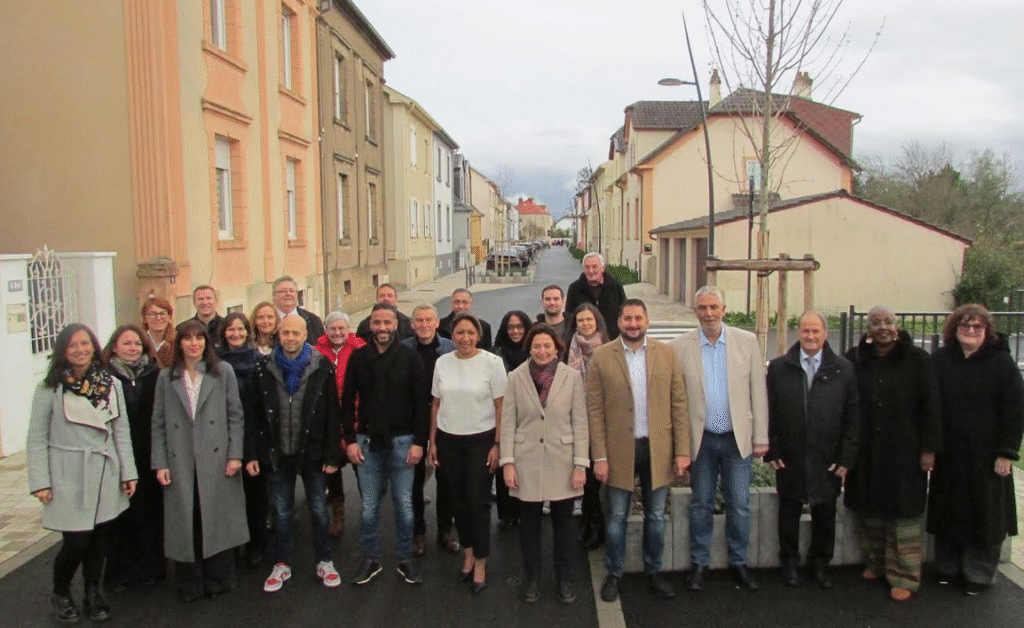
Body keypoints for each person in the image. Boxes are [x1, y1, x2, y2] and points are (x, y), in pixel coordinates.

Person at [27, 324, 137, 623]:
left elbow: (120, 431)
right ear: (63, 351)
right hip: (68, 473)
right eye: (73, 345)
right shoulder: (49, 388)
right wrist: (40, 482)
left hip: (104, 469)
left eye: (85, 344)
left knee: (101, 538)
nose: (80, 350)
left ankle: (92, 592)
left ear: (94, 346)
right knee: (76, 540)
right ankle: (61, 592)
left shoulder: (110, 385)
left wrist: (129, 472)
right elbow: (36, 437)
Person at [587, 299, 690, 602]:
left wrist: (682, 451)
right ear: (618, 321)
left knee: (656, 515)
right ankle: (614, 574)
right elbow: (594, 408)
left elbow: (679, 404)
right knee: (617, 515)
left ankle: (653, 571)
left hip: (657, 448)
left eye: (638, 319)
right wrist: (600, 455)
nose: (633, 324)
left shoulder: (666, 354)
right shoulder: (602, 357)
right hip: (619, 450)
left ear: (647, 321)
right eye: (627, 319)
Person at [669, 286, 767, 592]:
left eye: (714, 307)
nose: (708, 313)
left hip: (737, 440)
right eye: (702, 308)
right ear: (695, 311)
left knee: (739, 504)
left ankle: (739, 561)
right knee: (701, 503)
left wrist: (761, 436)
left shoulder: (746, 342)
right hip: (702, 441)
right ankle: (699, 562)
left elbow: (758, 392)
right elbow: (676, 398)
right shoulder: (680, 346)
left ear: (724, 309)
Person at [843, 306, 940, 602]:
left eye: (887, 321)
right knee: (869, 510)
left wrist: (929, 449)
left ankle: (906, 576)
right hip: (867, 450)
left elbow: (932, 407)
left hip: (905, 451)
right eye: (875, 322)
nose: (882, 327)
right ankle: (877, 564)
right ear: (868, 328)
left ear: (896, 326)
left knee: (903, 515)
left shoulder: (918, 360)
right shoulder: (855, 359)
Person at [928, 304, 1024, 595]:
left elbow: (1015, 410)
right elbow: (930, 407)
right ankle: (946, 567)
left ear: (987, 330)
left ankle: (978, 574)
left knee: (985, 516)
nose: (970, 331)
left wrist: (1006, 453)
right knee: (949, 511)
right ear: (954, 329)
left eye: (977, 327)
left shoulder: (1001, 363)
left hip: (987, 457)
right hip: (950, 454)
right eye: (964, 326)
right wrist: (930, 446)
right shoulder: (941, 360)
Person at [151, 320, 248, 602]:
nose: (194, 343)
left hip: (217, 459)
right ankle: (190, 584)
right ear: (179, 343)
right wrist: (160, 462)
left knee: (216, 518)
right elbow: (157, 423)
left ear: (207, 342)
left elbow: (235, 416)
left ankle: (219, 580)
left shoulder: (223, 372)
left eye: (199, 338)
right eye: (188, 338)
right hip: (180, 459)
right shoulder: (166, 378)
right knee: (187, 520)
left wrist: (235, 455)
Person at [247, 314, 342, 593]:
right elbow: (254, 414)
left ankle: (324, 560)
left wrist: (331, 456)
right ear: (279, 334)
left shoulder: (322, 367)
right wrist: (253, 452)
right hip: (277, 454)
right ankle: (282, 562)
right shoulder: (264, 367)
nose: (290, 338)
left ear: (305, 336)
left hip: (312, 453)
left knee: (318, 510)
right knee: (282, 512)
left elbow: (331, 415)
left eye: (295, 333)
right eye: (285, 333)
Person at [765, 311, 859, 590]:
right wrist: (772, 448)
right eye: (805, 331)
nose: (810, 336)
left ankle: (820, 564)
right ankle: (790, 564)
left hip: (828, 455)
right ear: (799, 333)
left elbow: (853, 417)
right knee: (789, 510)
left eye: (816, 331)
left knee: (825, 512)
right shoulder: (780, 367)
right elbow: (769, 411)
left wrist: (846, 456)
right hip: (790, 453)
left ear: (825, 333)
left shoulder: (843, 369)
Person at [343, 304, 430, 585]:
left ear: (396, 325)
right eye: (377, 323)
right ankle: (371, 559)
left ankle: (405, 559)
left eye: (387, 322)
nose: (381, 328)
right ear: (370, 325)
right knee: (368, 506)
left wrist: (419, 442)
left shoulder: (410, 358)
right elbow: (346, 402)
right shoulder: (358, 358)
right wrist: (349, 441)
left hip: (404, 441)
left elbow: (421, 405)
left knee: (404, 505)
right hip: (367, 442)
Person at [500, 325, 588, 604]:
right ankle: (533, 578)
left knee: (564, 527)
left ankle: (564, 580)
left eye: (547, 346)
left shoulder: (571, 377)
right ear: (529, 347)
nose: (542, 351)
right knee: (529, 527)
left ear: (556, 348)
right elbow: (508, 423)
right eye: (537, 346)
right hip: (526, 460)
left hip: (562, 459)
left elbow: (580, 423)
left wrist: (580, 464)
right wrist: (508, 462)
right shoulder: (515, 377)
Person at [428, 313, 508, 594]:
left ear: (478, 335)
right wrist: (433, 442)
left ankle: (482, 561)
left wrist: (498, 444)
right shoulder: (442, 363)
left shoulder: (492, 363)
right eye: (459, 333)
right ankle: (469, 554)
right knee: (458, 501)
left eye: (470, 333)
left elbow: (501, 407)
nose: (465, 338)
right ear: (452, 335)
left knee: (478, 502)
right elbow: (436, 404)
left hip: (481, 441)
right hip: (449, 441)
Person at [102, 325, 165, 592]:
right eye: (126, 343)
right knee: (120, 518)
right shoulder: (104, 379)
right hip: (118, 455)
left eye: (137, 344)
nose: (132, 348)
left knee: (151, 514)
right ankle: (118, 574)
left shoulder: (155, 374)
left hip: (150, 453)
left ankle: (152, 569)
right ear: (114, 347)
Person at [401, 304, 459, 556]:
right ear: (412, 324)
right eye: (419, 320)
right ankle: (418, 533)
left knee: (446, 479)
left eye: (429, 320)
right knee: (413, 480)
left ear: (437, 322)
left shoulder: (450, 347)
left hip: (445, 416)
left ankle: (445, 531)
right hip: (413, 416)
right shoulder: (403, 348)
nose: (424, 324)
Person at [215, 312, 268, 568]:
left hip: (252, 436)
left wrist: (254, 450)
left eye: (240, 329)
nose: (235, 334)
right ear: (223, 333)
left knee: (254, 496)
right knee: (226, 497)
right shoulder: (213, 363)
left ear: (248, 332)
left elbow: (260, 408)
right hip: (220, 438)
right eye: (230, 329)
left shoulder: (258, 362)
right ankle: (230, 546)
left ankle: (256, 544)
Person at [314, 311, 366, 537]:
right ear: (326, 330)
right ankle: (338, 513)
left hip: (355, 415)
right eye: (333, 329)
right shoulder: (316, 352)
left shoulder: (361, 350)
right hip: (328, 419)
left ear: (349, 329)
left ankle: (369, 512)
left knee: (361, 467)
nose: (337, 333)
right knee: (332, 470)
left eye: (341, 328)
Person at [564, 302, 611, 551]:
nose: (585, 324)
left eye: (589, 320)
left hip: (603, 422)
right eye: (581, 320)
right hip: (577, 421)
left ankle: (597, 526)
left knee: (597, 478)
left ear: (597, 322)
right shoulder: (569, 348)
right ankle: (588, 521)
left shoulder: (609, 349)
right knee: (586, 478)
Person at [491, 310, 531, 527]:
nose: (515, 331)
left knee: (526, 464)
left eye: (519, 327)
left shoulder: (534, 351)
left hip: (530, 415)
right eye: (511, 328)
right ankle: (507, 513)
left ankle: (527, 508)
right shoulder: (495, 353)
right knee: (505, 463)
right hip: (504, 414)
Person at [565, 252, 626, 340]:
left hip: (611, 339)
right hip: (585, 340)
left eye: (594, 266)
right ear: (583, 269)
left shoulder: (615, 286)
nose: (591, 271)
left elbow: (623, 311)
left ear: (603, 268)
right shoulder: (574, 288)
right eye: (587, 267)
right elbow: (570, 315)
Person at [272, 275, 326, 341]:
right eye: (282, 291)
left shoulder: (313, 321)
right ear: (273, 295)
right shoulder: (267, 321)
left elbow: (322, 348)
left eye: (291, 291)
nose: (288, 294)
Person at [141, 296, 176, 367]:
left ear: (169, 317)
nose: (158, 318)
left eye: (162, 313)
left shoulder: (178, 341)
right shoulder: (139, 342)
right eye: (153, 314)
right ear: (145, 318)